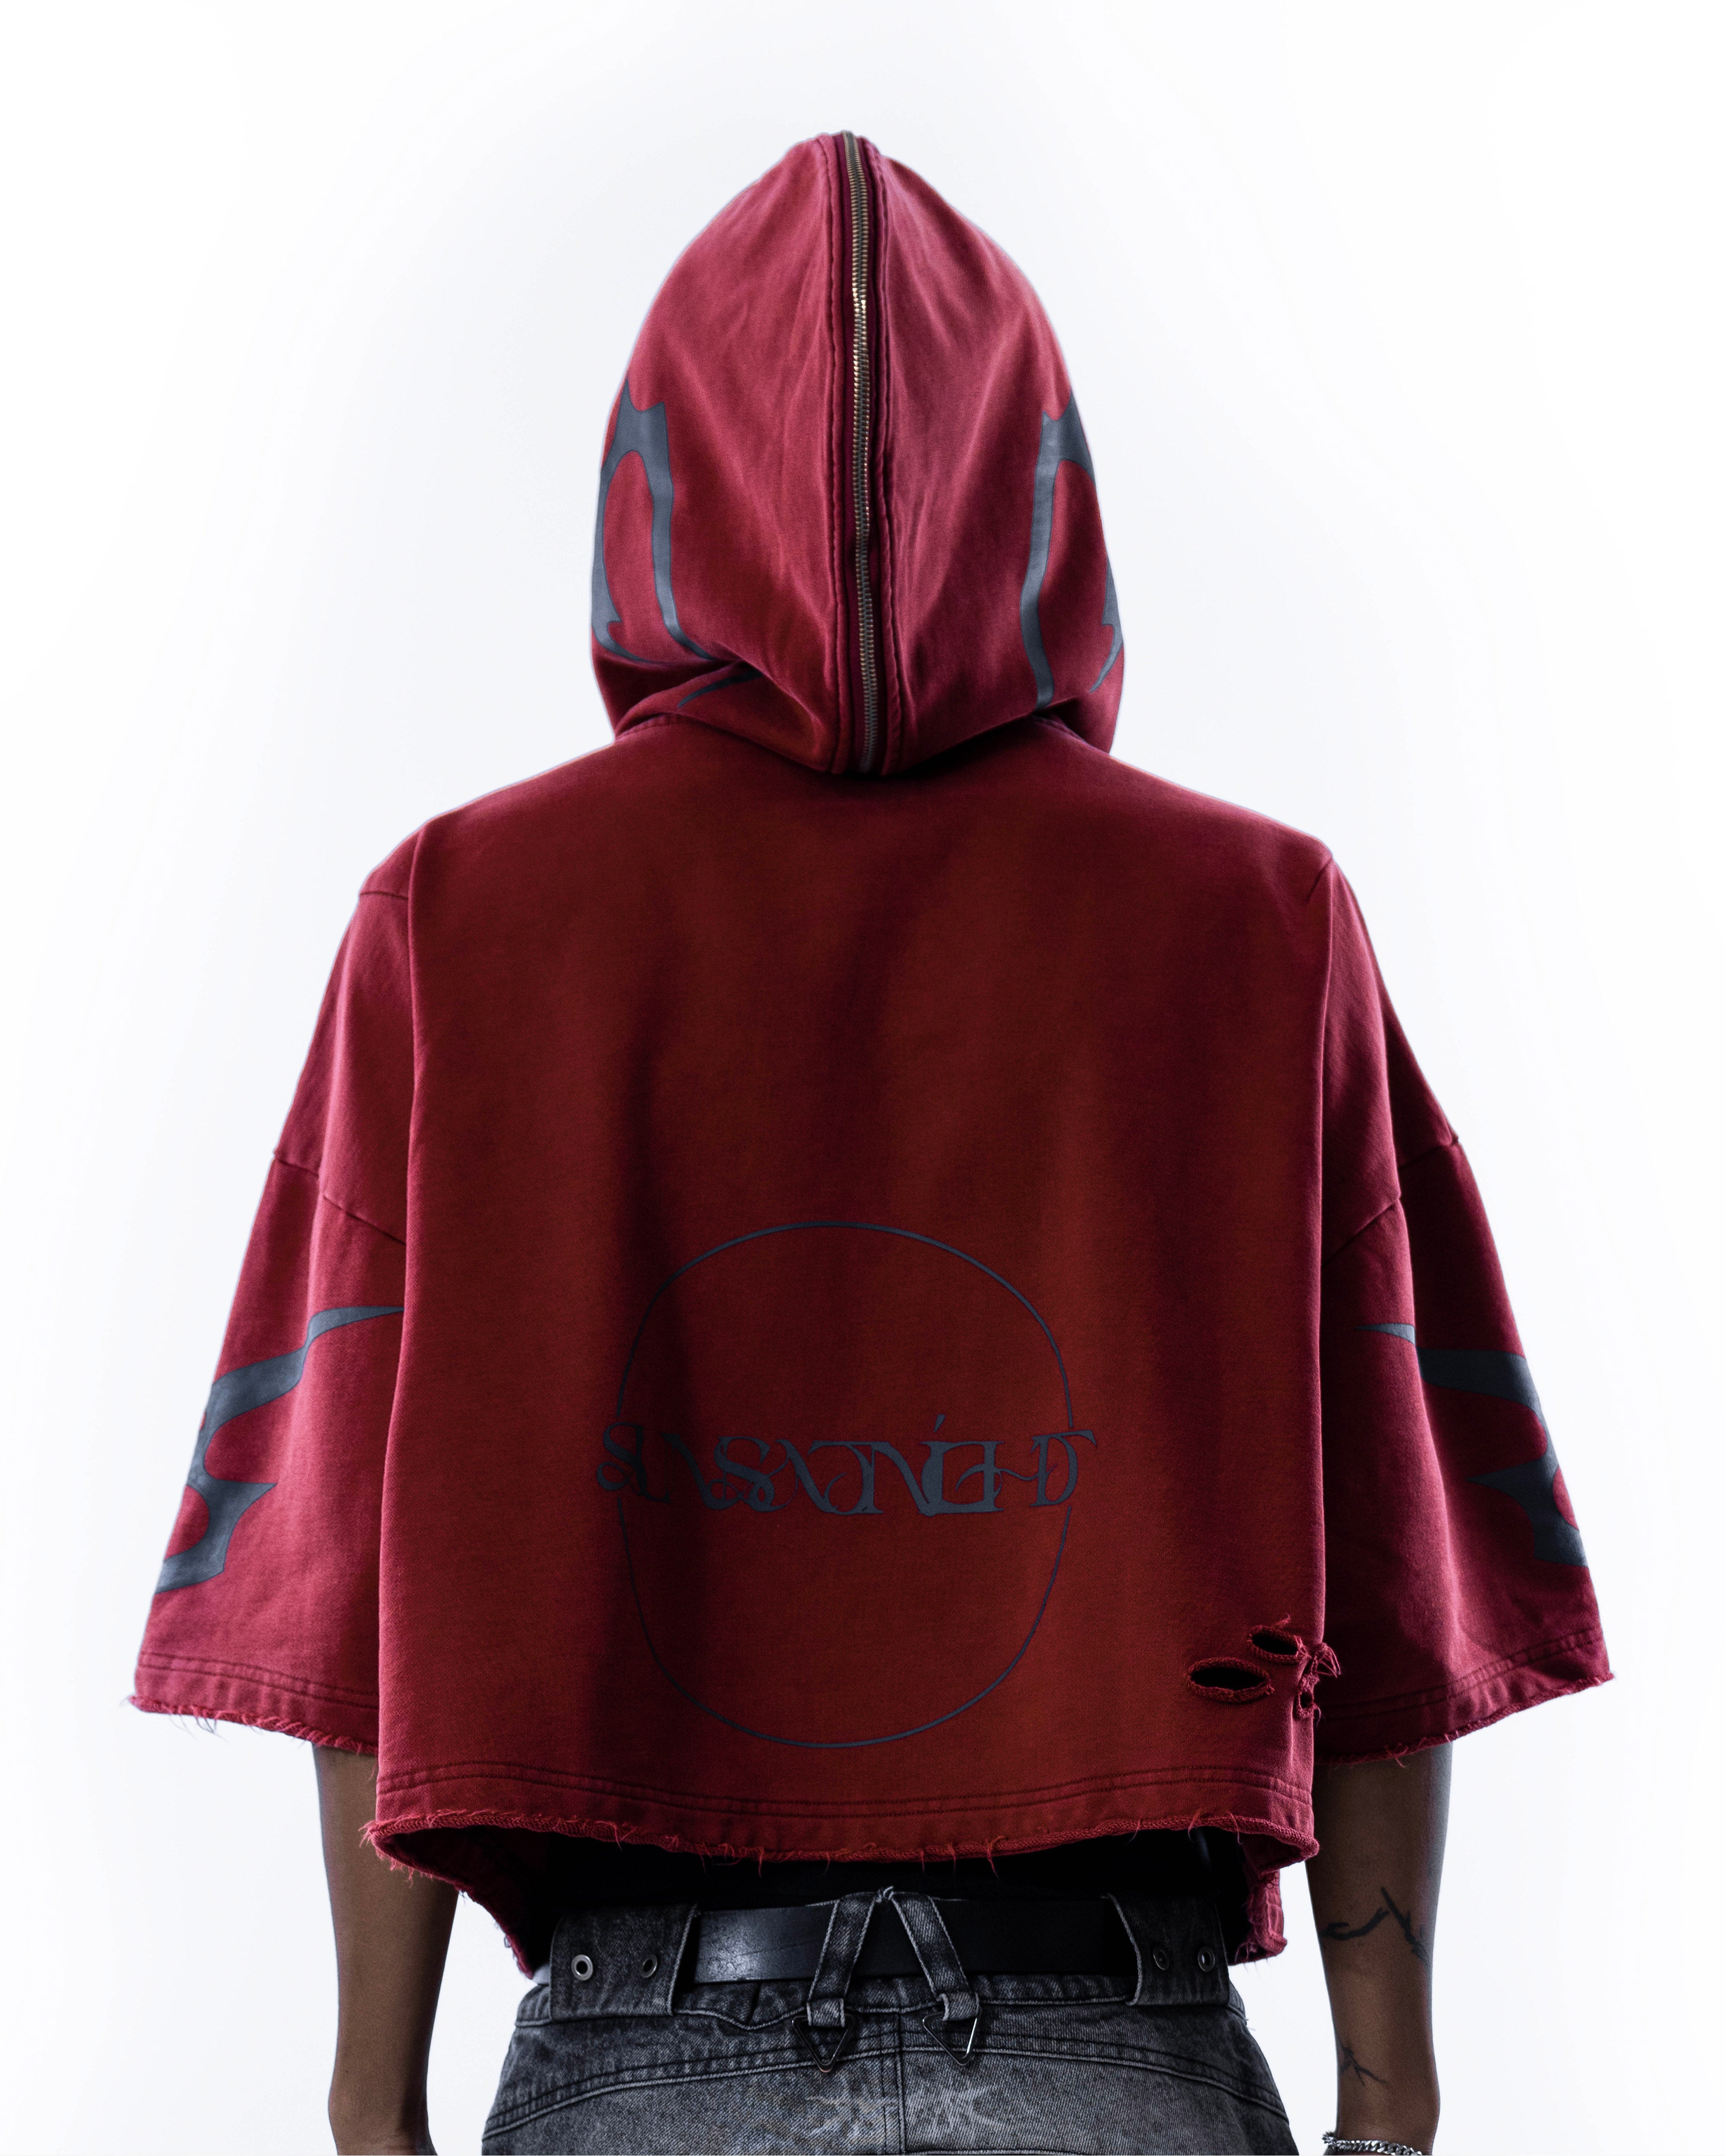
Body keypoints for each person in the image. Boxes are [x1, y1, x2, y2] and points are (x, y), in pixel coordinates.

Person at [133, 132, 1610, 2155]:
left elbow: (348, 1583)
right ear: (1039, 481)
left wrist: (371, 2109)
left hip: (647, 2038)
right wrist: (1387, 2100)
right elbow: (1391, 1558)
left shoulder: (459, 914)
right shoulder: (1258, 917)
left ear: (655, 471)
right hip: (1116, 2030)